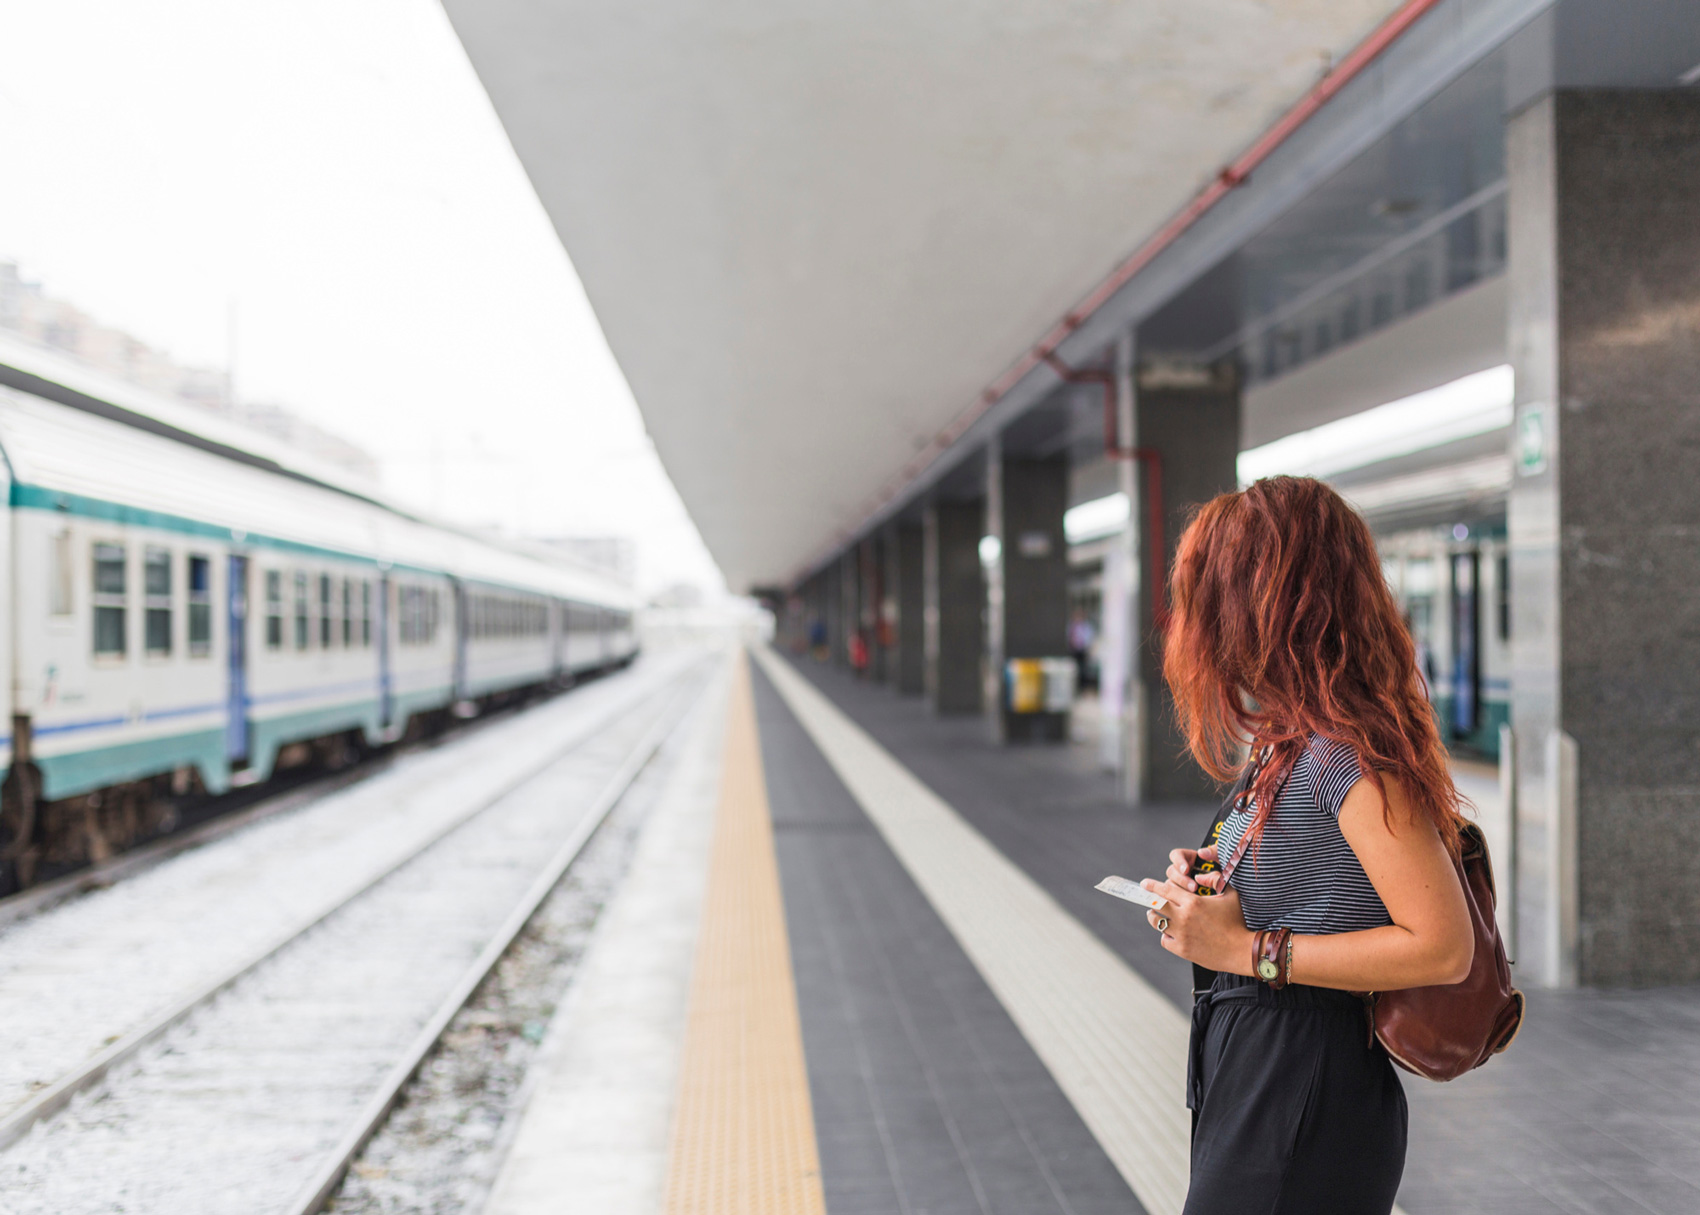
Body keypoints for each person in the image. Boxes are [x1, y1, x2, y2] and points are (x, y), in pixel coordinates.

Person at [1137, 476, 1473, 1215]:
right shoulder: (1290, 741)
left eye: (1215, 593)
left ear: (1272, 601)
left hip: (1307, 1085)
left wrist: (1247, 950)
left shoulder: (1344, 754)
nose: (1200, 620)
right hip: (1256, 1073)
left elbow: (1444, 945)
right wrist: (1215, 880)